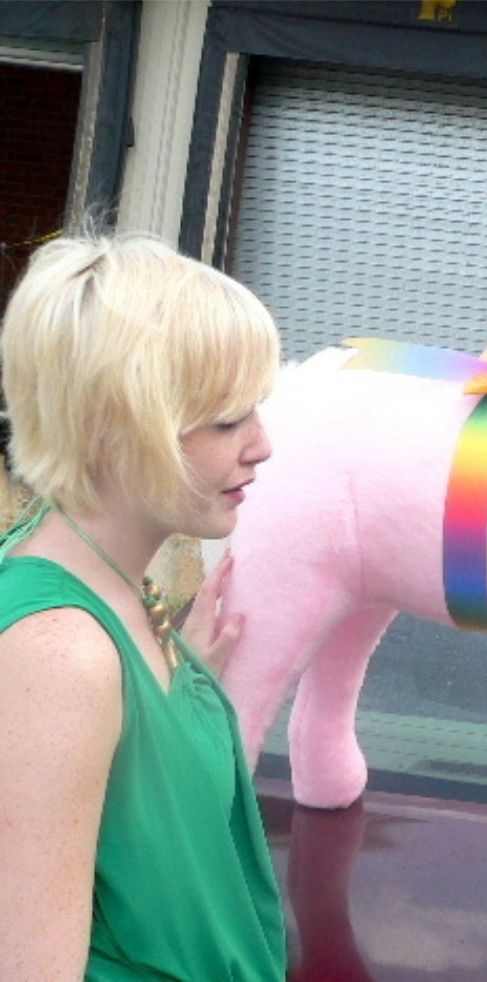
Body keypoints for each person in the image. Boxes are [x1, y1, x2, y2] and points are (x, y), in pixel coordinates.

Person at [0, 233, 287, 980]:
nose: (262, 445)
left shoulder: (109, 586)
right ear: (112, 428)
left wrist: (183, 676)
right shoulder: (60, 655)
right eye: (228, 419)